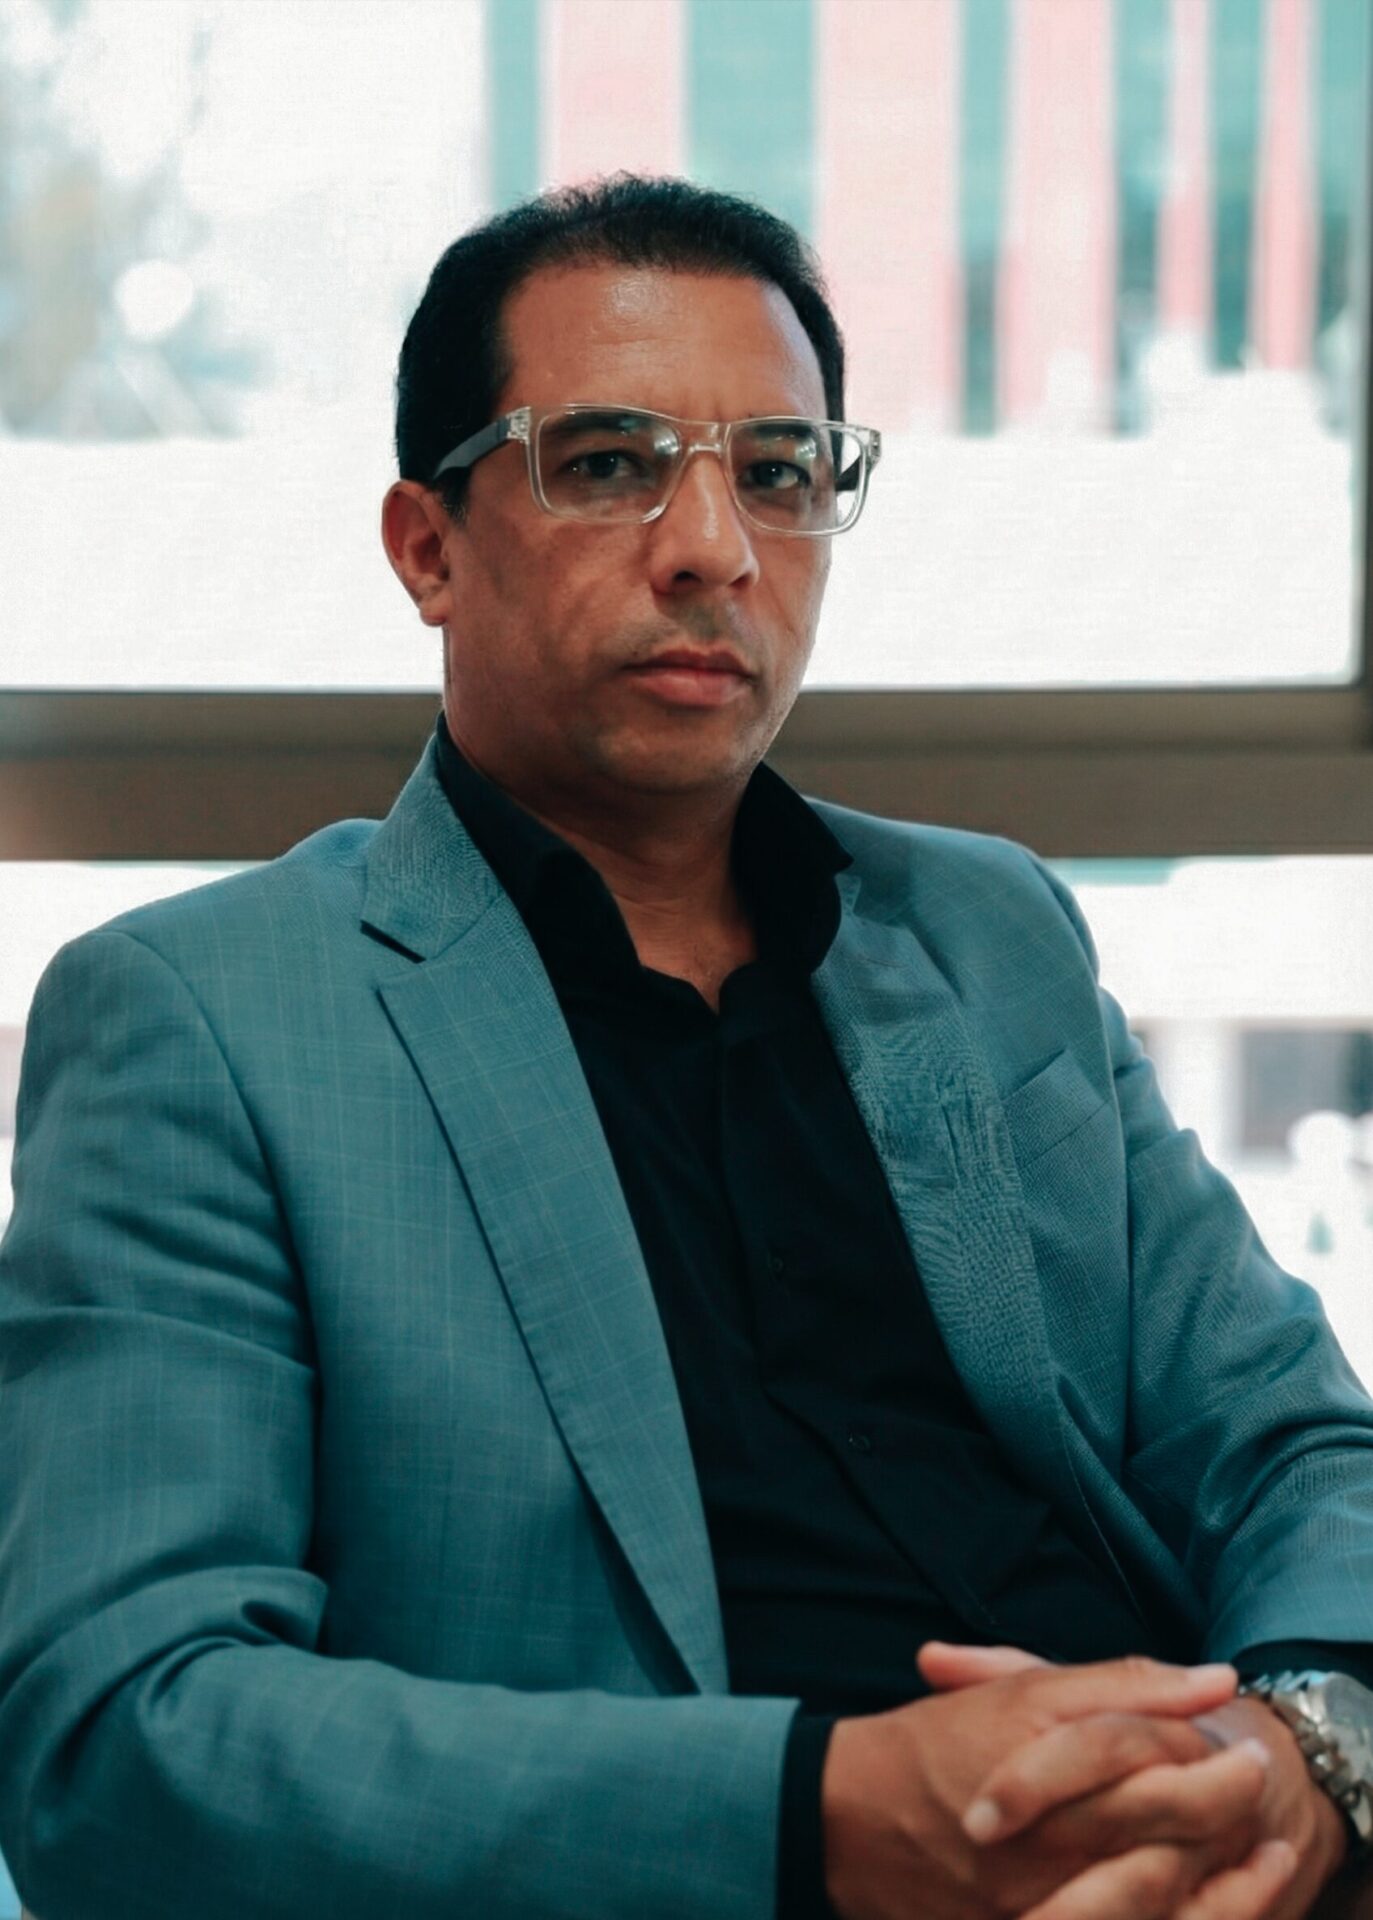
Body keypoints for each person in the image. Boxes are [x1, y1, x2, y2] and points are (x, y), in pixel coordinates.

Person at [1, 175, 1372, 1920]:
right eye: (607, 463)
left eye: (779, 473)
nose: (713, 546)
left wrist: (1306, 1754)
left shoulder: (986, 938)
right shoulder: (204, 1017)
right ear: (428, 547)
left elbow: (1295, 1448)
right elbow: (121, 1741)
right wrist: (820, 1813)